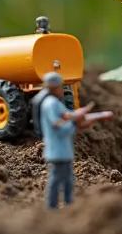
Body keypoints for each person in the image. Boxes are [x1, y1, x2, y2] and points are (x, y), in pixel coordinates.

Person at [34, 71, 105, 209]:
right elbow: (58, 125)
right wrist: (75, 124)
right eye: (60, 86)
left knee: (67, 179)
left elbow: (68, 115)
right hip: (57, 150)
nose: (62, 89)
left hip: (63, 150)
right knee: (56, 178)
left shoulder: (55, 103)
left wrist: (87, 115)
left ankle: (68, 204)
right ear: (54, 88)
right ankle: (52, 206)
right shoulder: (50, 104)